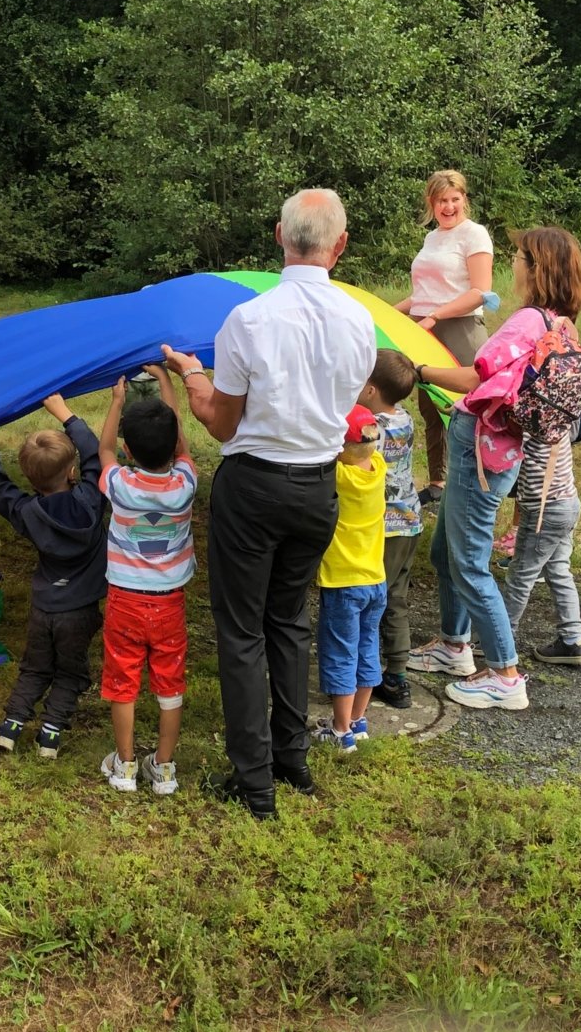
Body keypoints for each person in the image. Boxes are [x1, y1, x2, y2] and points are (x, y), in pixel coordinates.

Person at [163, 188, 375, 820]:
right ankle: (292, 762)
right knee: (289, 622)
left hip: (253, 485)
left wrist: (191, 376)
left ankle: (253, 781)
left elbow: (223, 425)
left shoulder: (249, 321)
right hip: (317, 488)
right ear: (339, 245)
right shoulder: (360, 319)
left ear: (279, 237)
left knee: (240, 630)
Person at [407, 226, 581, 711]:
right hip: (498, 448)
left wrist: (418, 371)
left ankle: (506, 675)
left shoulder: (527, 320)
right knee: (446, 554)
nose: (513, 264)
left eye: (518, 257)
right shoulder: (560, 323)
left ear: (535, 267)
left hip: (480, 453)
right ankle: (453, 646)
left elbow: (476, 374)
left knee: (468, 563)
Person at [0, 393, 106, 760]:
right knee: (70, 671)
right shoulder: (93, 499)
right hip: (80, 610)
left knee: (35, 667)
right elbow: (96, 456)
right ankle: (50, 733)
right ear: (72, 471)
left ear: (30, 478)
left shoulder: (29, 512)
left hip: (44, 607)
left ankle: (11, 726)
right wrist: (65, 413)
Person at [96, 367, 197, 796]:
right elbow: (184, 447)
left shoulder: (120, 485)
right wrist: (169, 382)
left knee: (123, 679)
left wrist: (117, 400)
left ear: (127, 449)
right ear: (173, 445)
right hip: (169, 602)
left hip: (125, 600)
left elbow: (102, 451)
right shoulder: (185, 485)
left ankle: (125, 765)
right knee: (169, 681)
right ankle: (165, 767)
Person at [395, 171, 493, 505]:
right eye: (442, 200)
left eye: (455, 199)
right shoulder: (432, 238)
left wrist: (435, 316)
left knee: (465, 407)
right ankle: (438, 483)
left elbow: (481, 291)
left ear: (464, 199)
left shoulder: (474, 234)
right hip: (425, 329)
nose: (449, 206)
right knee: (431, 407)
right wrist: (391, 313)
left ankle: (475, 482)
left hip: (460, 327)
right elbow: (422, 293)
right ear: (431, 203)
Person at [312, 406, 387, 753]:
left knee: (341, 652)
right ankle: (358, 719)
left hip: (343, 582)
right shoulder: (379, 470)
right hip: (376, 579)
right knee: (367, 647)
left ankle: (341, 731)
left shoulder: (339, 477)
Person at [357, 350, 421, 709]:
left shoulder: (371, 427)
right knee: (396, 596)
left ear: (369, 389)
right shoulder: (406, 418)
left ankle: (368, 672)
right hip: (409, 521)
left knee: (372, 599)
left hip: (383, 524)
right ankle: (397, 674)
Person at [505, 420, 581, 666]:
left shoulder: (528, 420)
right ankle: (573, 641)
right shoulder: (565, 411)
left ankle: (501, 638)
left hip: (543, 511)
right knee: (559, 570)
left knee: (521, 575)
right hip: (568, 503)